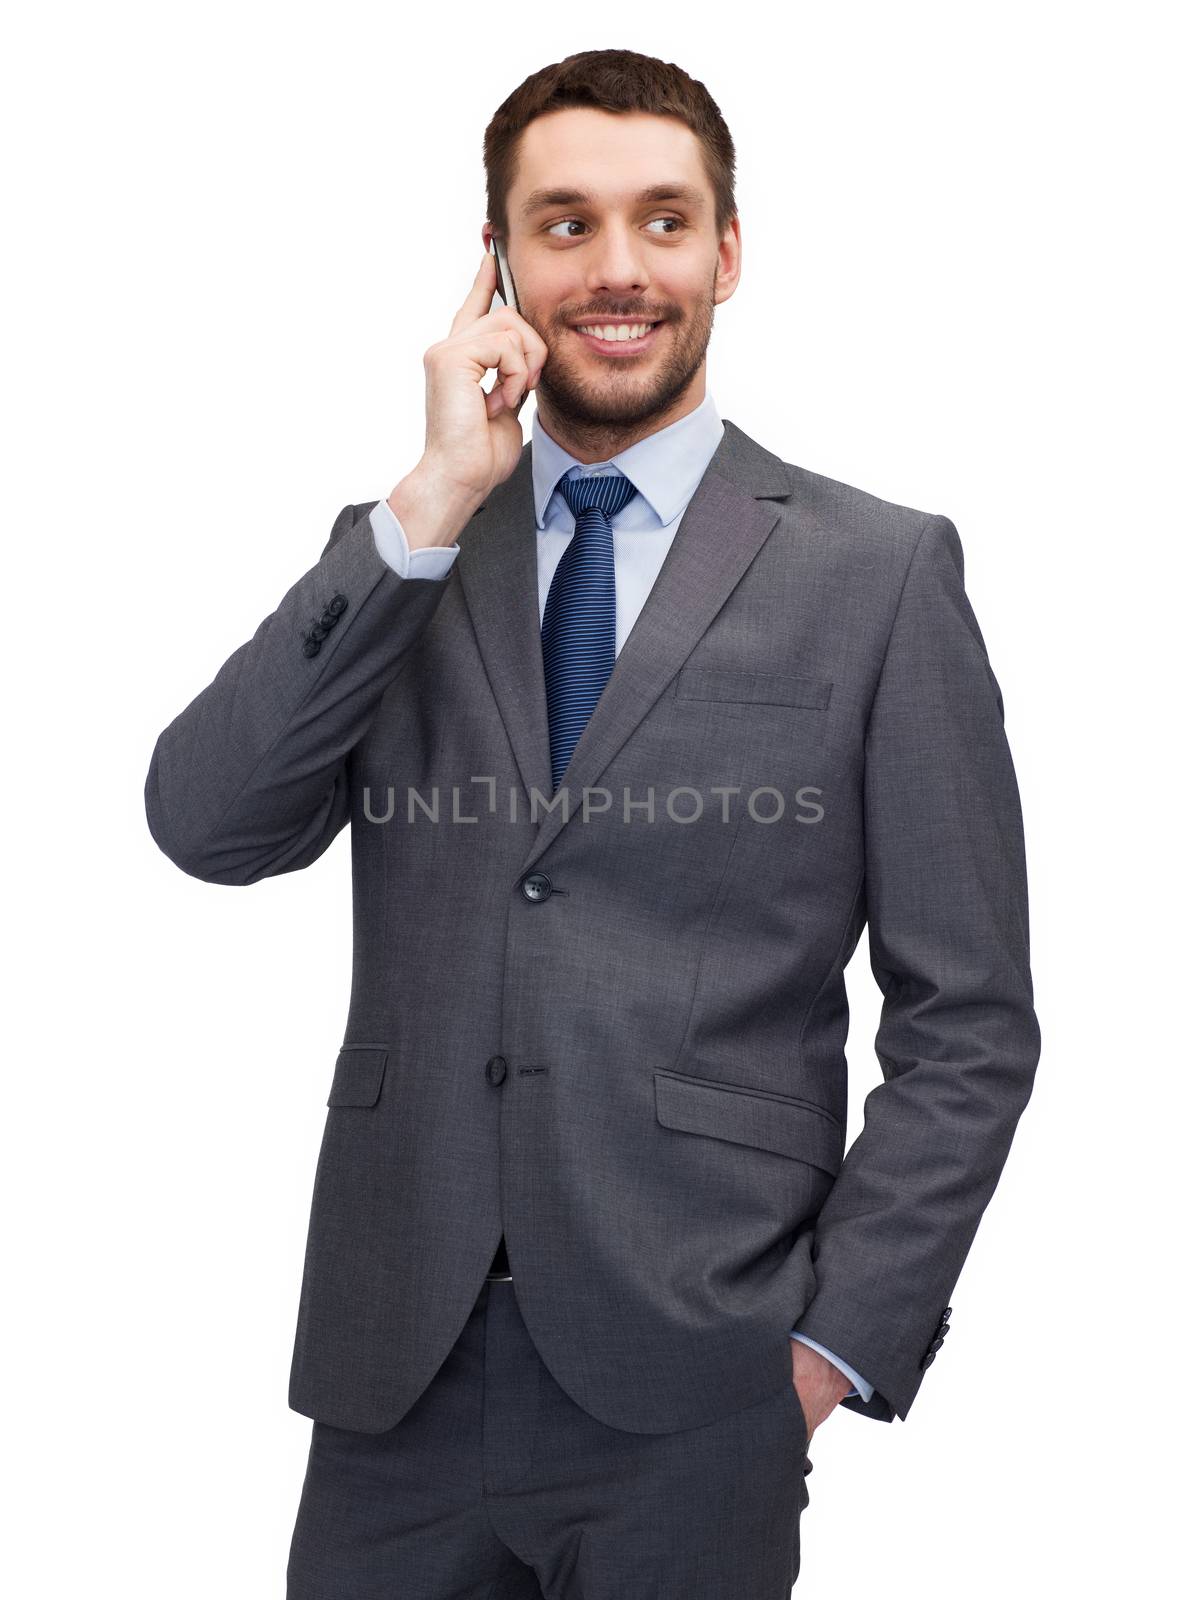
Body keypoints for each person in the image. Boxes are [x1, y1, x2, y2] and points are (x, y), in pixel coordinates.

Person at [144, 46, 1040, 1600]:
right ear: (495, 263)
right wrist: (427, 502)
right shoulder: (408, 554)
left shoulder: (878, 572)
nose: (618, 270)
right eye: (564, 225)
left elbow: (969, 1017)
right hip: (393, 1373)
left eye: (663, 222)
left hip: (701, 1377)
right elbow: (208, 824)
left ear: (728, 253)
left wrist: (831, 1350)